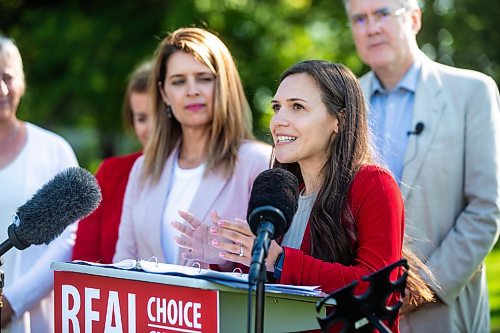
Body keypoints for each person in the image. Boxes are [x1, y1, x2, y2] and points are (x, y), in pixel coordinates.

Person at [175, 60, 436, 332]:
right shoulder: (283, 192)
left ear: (339, 120)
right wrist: (224, 258)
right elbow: (273, 294)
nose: (278, 121)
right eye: (277, 107)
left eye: (297, 107)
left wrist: (279, 260)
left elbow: (377, 289)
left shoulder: (373, 184)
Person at [343, 0, 500, 332]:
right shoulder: (343, 102)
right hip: (361, 309)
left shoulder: (472, 92)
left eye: (383, 13)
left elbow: (486, 209)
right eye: (360, 18)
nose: (371, 27)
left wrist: (418, 290)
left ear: (414, 19)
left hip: (444, 309)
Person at [112, 27, 272, 267]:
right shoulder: (143, 168)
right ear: (164, 93)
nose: (192, 91)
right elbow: (123, 262)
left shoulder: (258, 162)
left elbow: (271, 266)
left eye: (204, 78)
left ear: (224, 85)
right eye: (178, 81)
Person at [0, 36, 79, 332]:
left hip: (36, 322)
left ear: (22, 81)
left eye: (8, 77)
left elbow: (70, 238)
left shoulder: (53, 151)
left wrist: (11, 302)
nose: (1, 89)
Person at [72, 60, 154, 264]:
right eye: (142, 118)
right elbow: (83, 257)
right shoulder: (111, 173)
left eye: (159, 116)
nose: (152, 128)